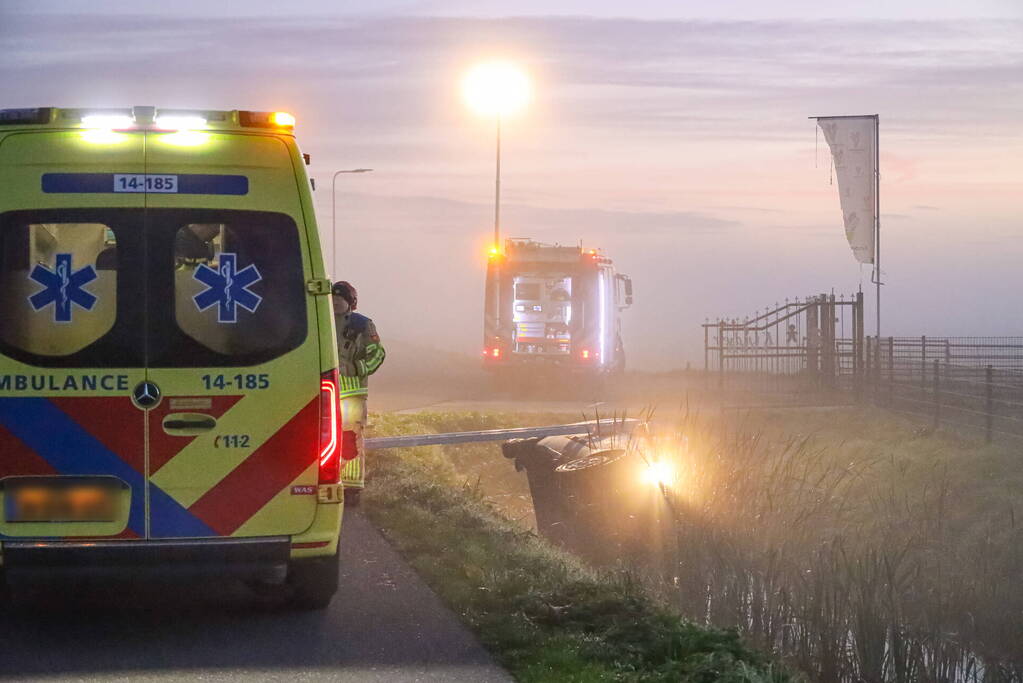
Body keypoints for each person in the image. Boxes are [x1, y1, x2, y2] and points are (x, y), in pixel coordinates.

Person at [332, 281, 385, 506]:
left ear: (350, 303)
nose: (335, 304)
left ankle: (351, 488)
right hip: (319, 392)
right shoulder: (317, 321)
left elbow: (377, 355)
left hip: (351, 395)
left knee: (350, 440)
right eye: (332, 301)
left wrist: (355, 369)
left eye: (340, 301)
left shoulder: (362, 325)